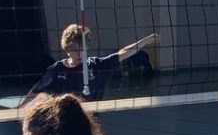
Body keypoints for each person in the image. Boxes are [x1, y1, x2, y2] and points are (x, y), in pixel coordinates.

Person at [26, 24, 158, 103]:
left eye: (82, 49)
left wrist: (145, 41)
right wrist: (19, 110)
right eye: (75, 49)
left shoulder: (97, 66)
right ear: (67, 49)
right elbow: (35, 90)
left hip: (89, 124)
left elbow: (123, 52)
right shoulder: (57, 70)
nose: (79, 53)